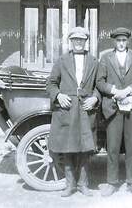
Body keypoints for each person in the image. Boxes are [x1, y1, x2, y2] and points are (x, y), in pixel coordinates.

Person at [46, 27, 100, 197]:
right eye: (75, 39)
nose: (78, 42)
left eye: (81, 40)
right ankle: (70, 185)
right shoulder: (61, 61)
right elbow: (51, 83)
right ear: (71, 41)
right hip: (67, 109)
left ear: (86, 42)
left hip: (86, 109)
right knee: (67, 147)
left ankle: (84, 184)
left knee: (85, 148)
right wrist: (58, 95)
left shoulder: (93, 61)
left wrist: (96, 98)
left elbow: (100, 84)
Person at [96, 27, 132, 197]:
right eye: (118, 41)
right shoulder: (105, 58)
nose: (121, 43)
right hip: (113, 108)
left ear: (128, 41)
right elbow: (99, 82)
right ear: (114, 42)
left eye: (124, 41)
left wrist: (128, 91)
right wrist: (114, 91)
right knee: (112, 147)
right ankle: (112, 182)